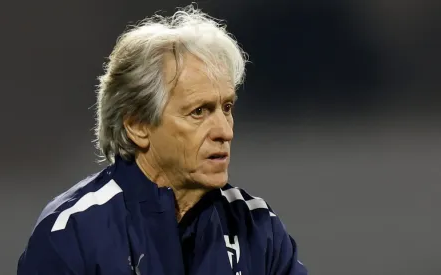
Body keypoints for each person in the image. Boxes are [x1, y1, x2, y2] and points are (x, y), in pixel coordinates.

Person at [17, 5, 307, 275]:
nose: (225, 131)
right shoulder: (72, 233)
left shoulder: (257, 226)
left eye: (227, 108)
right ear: (137, 125)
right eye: (199, 112)